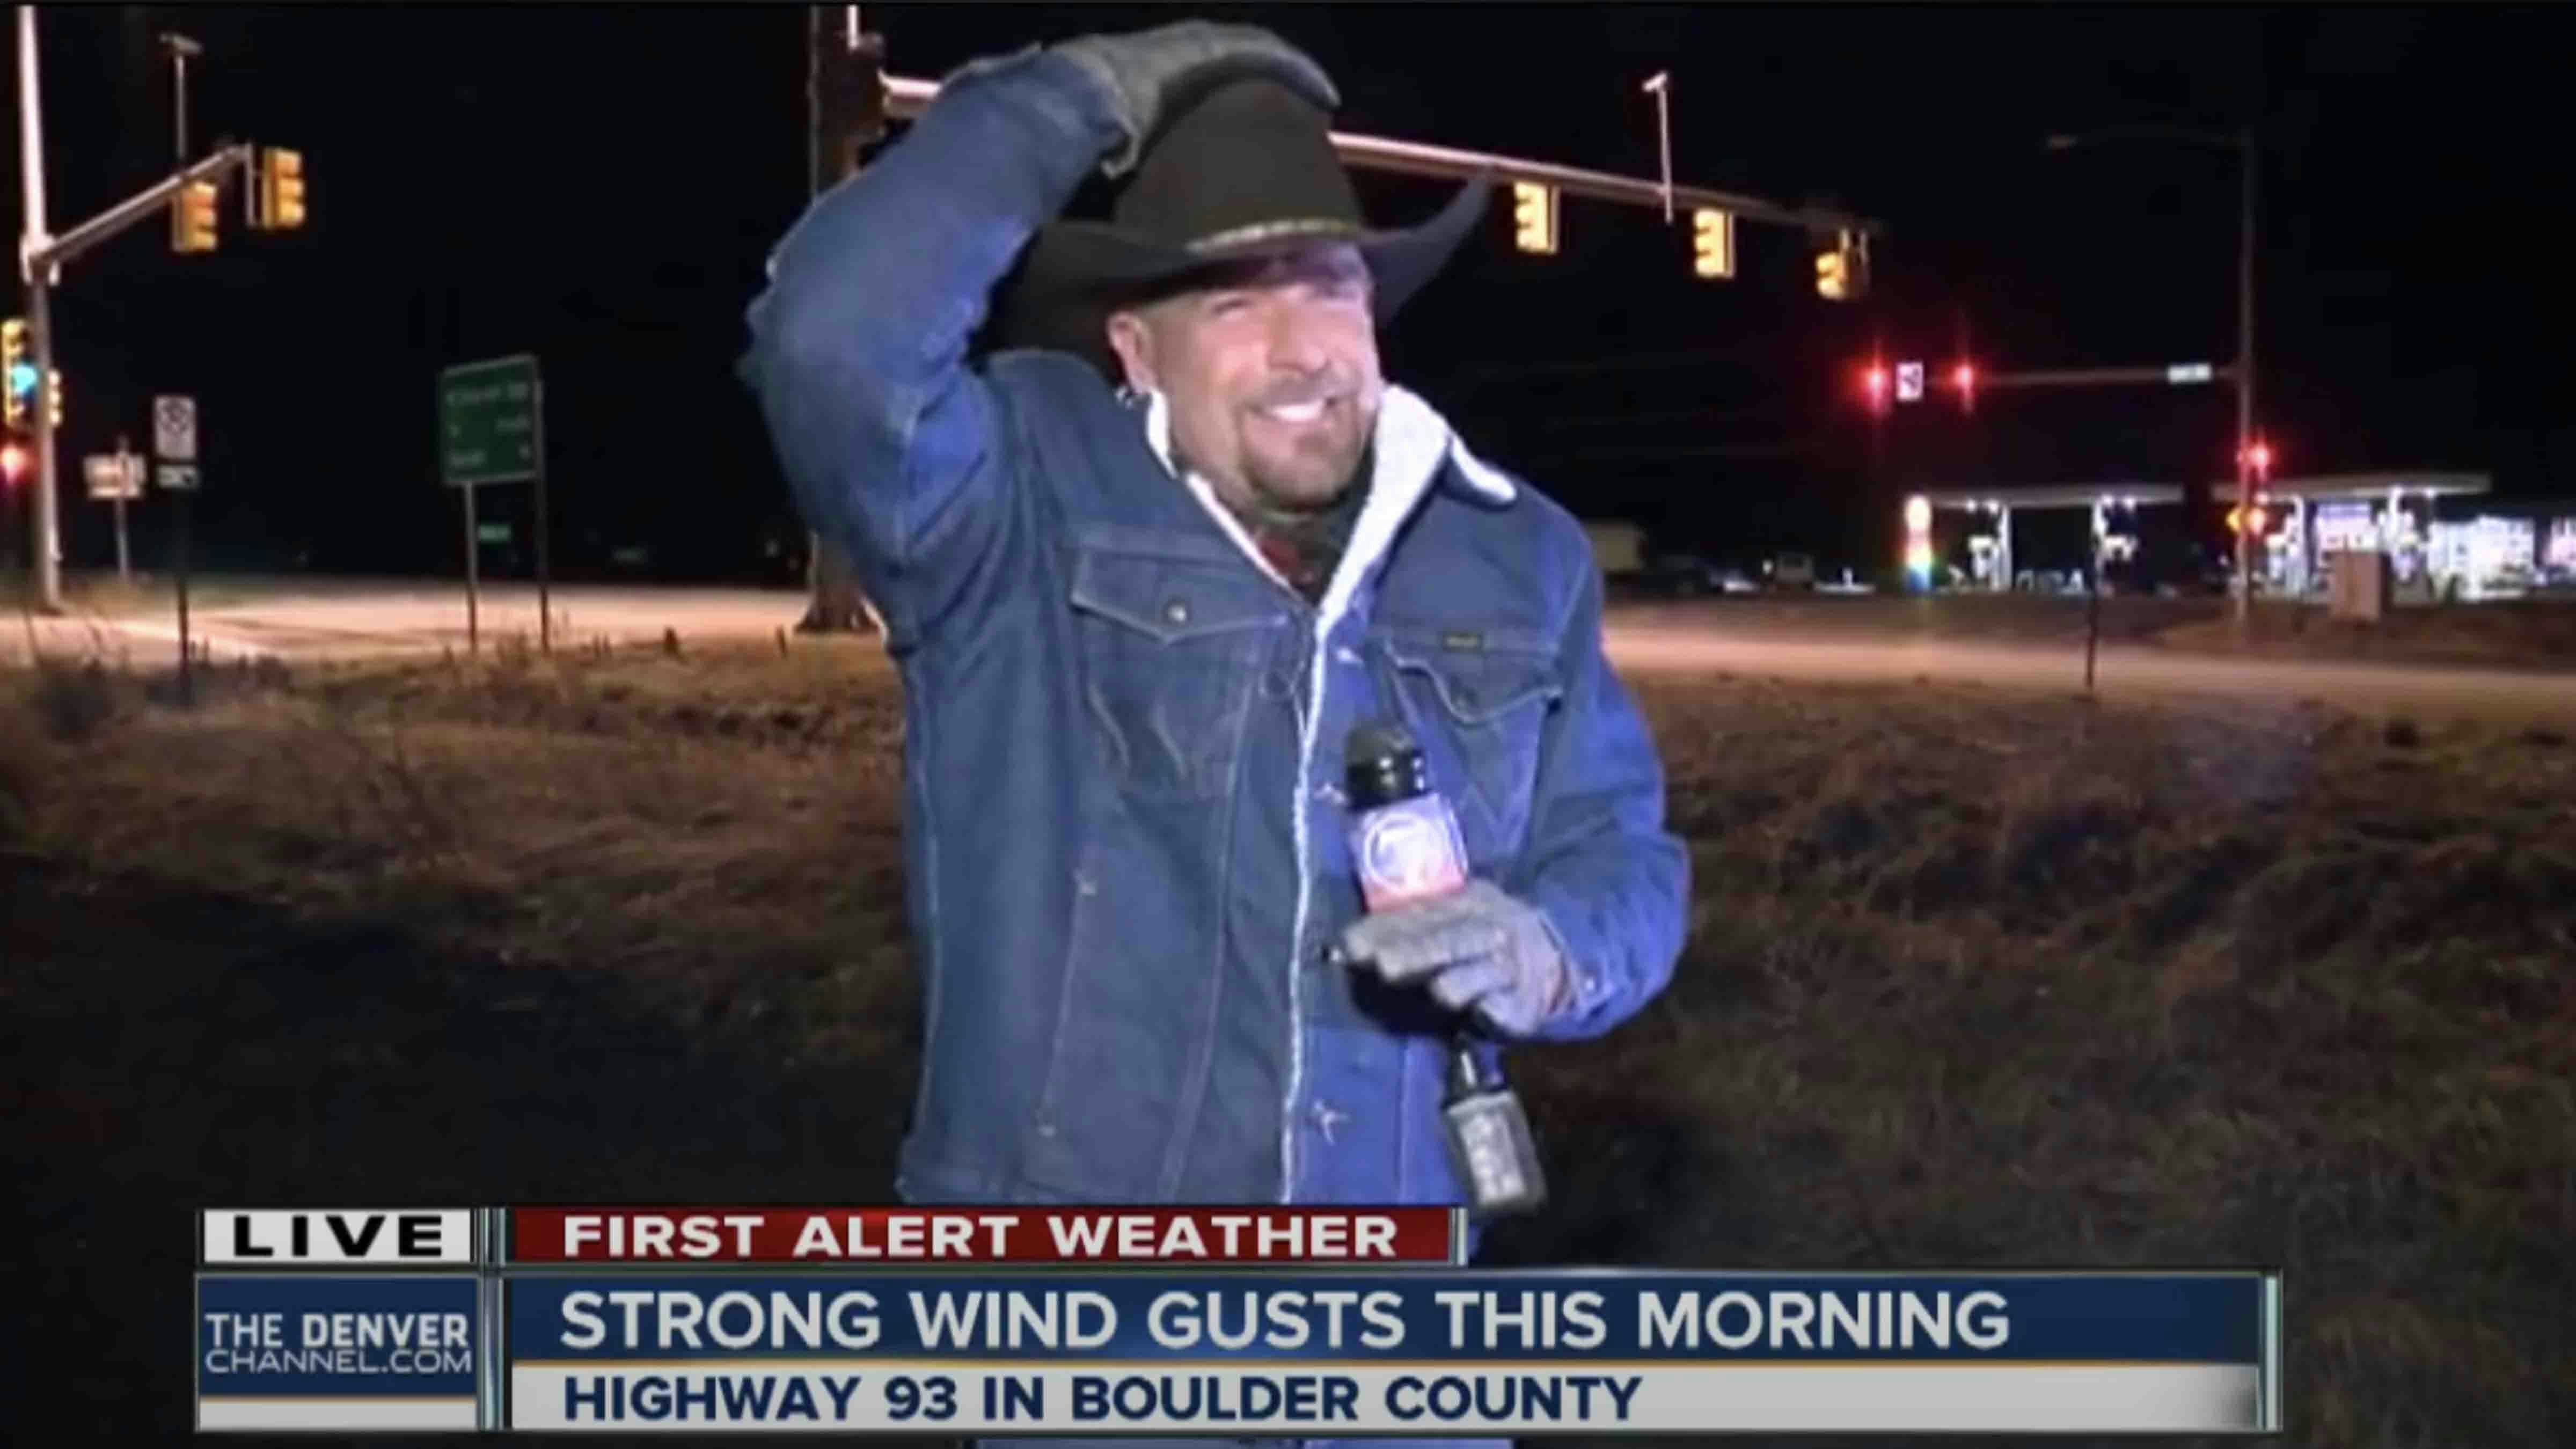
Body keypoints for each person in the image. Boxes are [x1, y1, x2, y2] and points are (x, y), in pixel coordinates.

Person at [741, 15, 1684, 1245]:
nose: (1305, 353)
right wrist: (1060, 100)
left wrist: (1552, 951)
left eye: (1332, 288)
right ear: (1135, 352)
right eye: (1236, 305)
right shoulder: (1012, 506)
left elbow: (1628, 857)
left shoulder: (1516, 553)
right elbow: (825, 344)